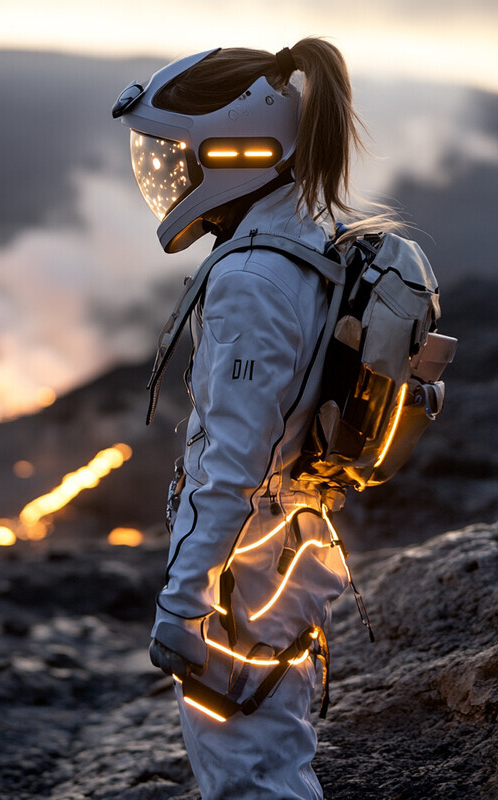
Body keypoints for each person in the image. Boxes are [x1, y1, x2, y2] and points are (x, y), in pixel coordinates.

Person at [113, 38, 379, 800]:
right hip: (280, 554)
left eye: (175, 158)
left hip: (243, 577)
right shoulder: (302, 240)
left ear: (237, 149)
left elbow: (229, 462)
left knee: (252, 782)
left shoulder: (252, 279)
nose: (164, 177)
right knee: (272, 758)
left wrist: (183, 600)